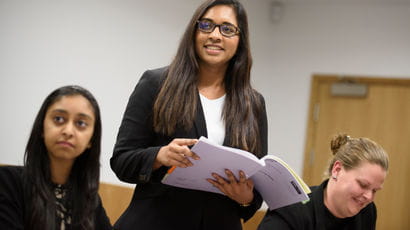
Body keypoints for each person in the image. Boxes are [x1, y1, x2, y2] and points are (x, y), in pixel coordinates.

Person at [110, 0, 268, 229]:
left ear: (240, 40)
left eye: (227, 29)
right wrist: (160, 156)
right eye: (206, 25)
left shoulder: (253, 104)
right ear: (194, 32)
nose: (215, 35)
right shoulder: (156, 84)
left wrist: (245, 198)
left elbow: (256, 192)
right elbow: (122, 160)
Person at [0, 86, 112, 230]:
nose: (68, 131)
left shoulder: (91, 200)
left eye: (81, 123)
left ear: (91, 139)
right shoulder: (8, 182)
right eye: (58, 119)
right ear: (42, 127)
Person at [257, 134, 389, 230]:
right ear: (337, 170)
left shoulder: (367, 212)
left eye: (375, 190)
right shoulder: (290, 210)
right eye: (363, 185)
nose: (369, 197)